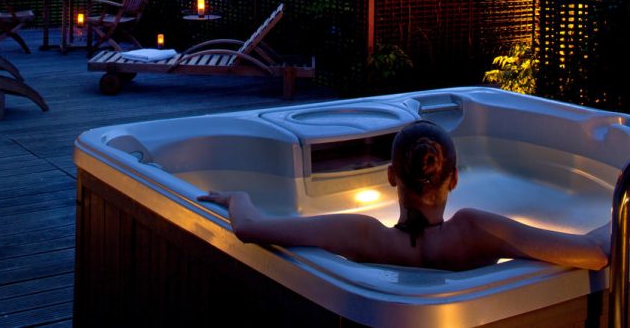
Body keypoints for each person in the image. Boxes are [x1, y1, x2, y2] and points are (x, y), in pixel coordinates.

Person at [198, 120, 609, 271]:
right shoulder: (475, 231)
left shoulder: (364, 236)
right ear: (454, 180)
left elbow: (250, 228)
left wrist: (235, 195)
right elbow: (594, 252)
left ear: (392, 177)